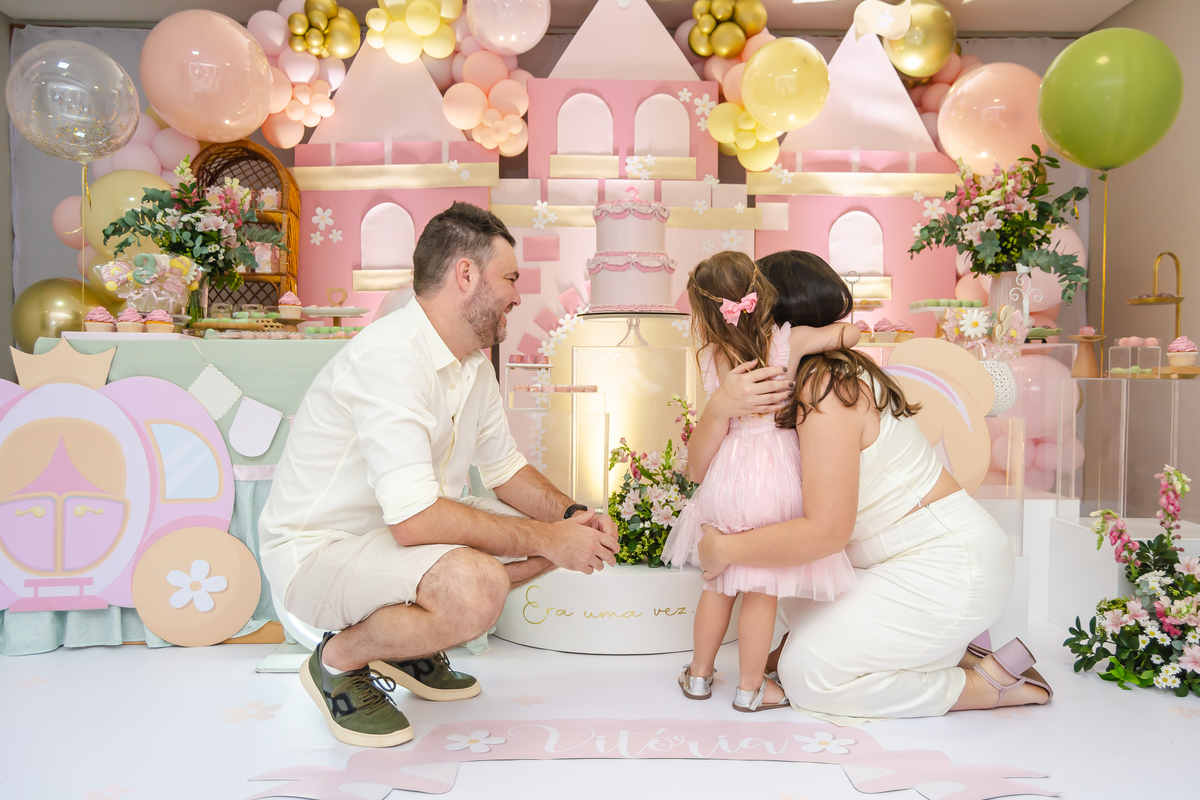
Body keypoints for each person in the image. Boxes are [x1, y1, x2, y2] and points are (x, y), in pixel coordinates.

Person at [259, 202, 619, 748]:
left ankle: (410, 647)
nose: (518, 296)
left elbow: (506, 471)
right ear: (466, 274)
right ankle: (337, 660)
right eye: (510, 278)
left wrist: (574, 518)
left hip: (391, 539)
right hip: (319, 552)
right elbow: (415, 521)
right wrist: (550, 539)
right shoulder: (390, 356)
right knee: (477, 587)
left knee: (548, 540)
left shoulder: (472, 363)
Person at [694, 250, 1050, 722]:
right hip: (890, 558)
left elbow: (826, 533)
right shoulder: (795, 381)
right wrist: (719, 409)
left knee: (808, 677)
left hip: (944, 562)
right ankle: (938, 650)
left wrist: (726, 549)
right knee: (791, 599)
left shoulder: (826, 387)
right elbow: (705, 466)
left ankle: (983, 685)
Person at [660, 251, 860, 712]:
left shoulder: (712, 356)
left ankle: (698, 676)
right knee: (761, 588)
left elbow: (711, 432)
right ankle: (751, 688)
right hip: (775, 475)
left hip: (729, 474)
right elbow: (848, 333)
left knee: (716, 584)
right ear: (762, 293)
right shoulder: (788, 340)